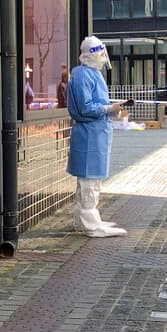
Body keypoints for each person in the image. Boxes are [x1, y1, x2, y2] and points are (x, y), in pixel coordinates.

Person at [67, 36, 129, 238]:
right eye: (101, 54)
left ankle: (84, 220)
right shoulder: (82, 75)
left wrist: (112, 109)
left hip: (95, 133)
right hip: (89, 135)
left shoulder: (90, 74)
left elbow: (96, 103)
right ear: (93, 54)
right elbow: (85, 107)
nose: (104, 58)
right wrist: (108, 108)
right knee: (90, 182)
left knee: (90, 180)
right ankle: (91, 224)